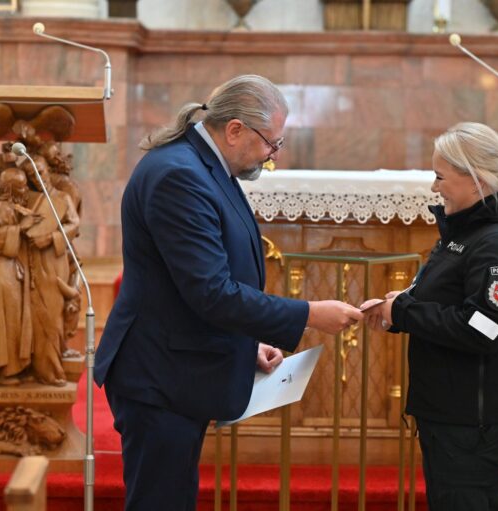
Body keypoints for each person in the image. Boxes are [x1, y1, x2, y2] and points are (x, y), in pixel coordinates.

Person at [94, 74, 363, 511]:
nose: (271, 156)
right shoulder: (179, 176)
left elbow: (192, 283)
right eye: (269, 143)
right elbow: (211, 291)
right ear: (234, 129)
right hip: (159, 376)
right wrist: (309, 313)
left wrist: (245, 343)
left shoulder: (202, 164)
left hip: (179, 367)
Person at [362, 122, 498, 511]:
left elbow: (482, 329)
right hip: (456, 417)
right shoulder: (470, 230)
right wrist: (403, 306)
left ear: (476, 180)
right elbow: (453, 299)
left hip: (474, 427)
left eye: (440, 177)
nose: (434, 187)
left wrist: (403, 309)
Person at [22, 154, 81, 386]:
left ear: (47, 170)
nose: (38, 177)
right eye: (32, 174)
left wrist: (51, 238)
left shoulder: (62, 198)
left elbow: (74, 224)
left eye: (40, 170)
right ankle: (38, 368)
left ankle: (52, 370)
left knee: (52, 316)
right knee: (36, 317)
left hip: (54, 260)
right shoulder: (29, 200)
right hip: (31, 263)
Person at [0, 167, 40, 385]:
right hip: (1, 271)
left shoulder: (16, 208)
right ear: (12, 190)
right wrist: (19, 230)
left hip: (12, 270)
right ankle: (5, 370)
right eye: (22, 186)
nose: (26, 189)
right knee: (6, 319)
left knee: (15, 318)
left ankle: (16, 367)